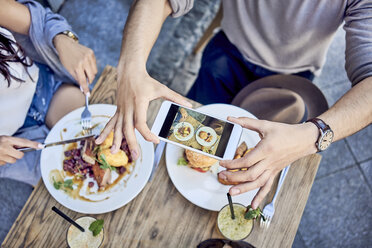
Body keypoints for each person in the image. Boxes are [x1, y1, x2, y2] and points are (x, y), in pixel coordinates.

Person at [97, 0, 372, 209]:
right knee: (184, 146)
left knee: (257, 168)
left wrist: (314, 135)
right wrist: (130, 66)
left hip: (292, 81)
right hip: (226, 54)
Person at [0, 0, 97, 186]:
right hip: (14, 141)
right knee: (69, 184)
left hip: (42, 88)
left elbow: (40, 21)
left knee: (103, 136)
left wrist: (62, 39)